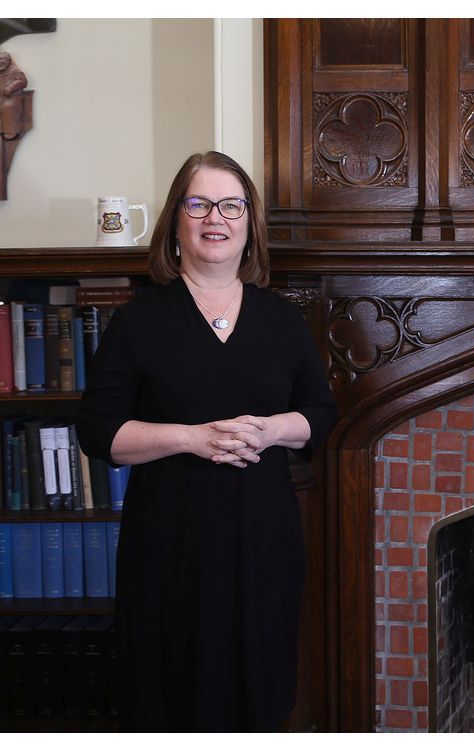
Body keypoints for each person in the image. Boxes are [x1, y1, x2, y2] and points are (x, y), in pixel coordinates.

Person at [76, 151, 339, 731]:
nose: (214, 217)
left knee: (258, 696)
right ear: (175, 224)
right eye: (197, 204)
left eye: (230, 205)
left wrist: (271, 429)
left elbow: (321, 412)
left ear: (249, 226)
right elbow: (98, 431)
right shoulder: (138, 321)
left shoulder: (281, 319)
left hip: (262, 542)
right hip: (169, 544)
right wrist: (192, 438)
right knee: (171, 698)